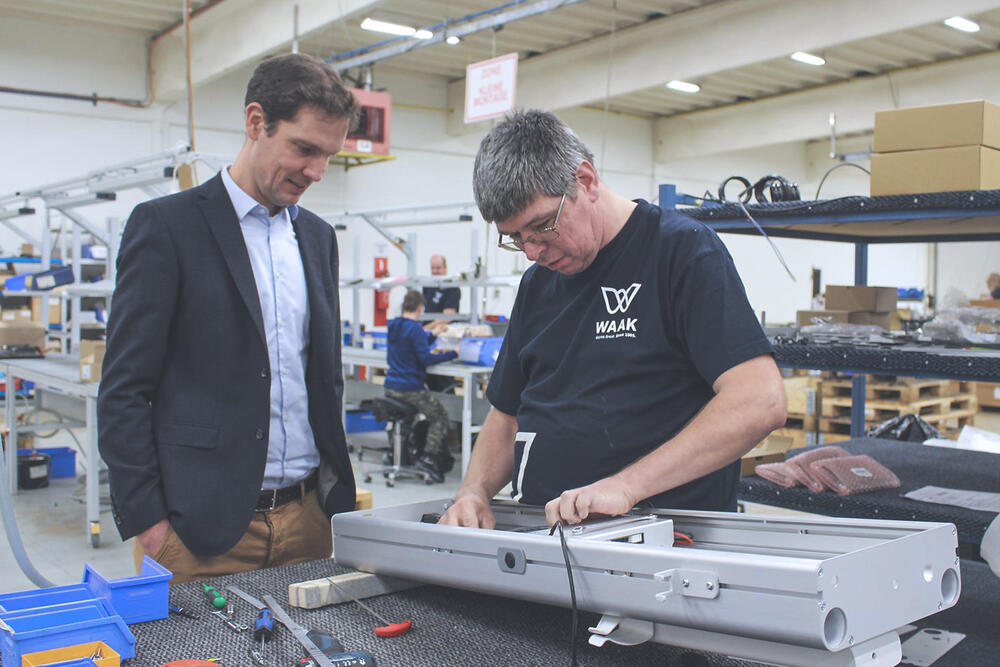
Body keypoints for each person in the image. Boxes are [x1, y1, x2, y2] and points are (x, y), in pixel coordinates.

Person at [440, 110, 787, 530]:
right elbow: (506, 414)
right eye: (516, 239)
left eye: (540, 226)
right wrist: (473, 492)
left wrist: (626, 487)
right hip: (545, 543)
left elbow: (759, 401)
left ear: (585, 182)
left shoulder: (682, 253)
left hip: (664, 549)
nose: (532, 251)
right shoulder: (537, 284)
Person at [98, 53, 360, 583]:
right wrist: (148, 521)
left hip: (308, 520)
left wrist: (329, 506)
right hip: (200, 532)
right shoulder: (167, 228)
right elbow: (124, 388)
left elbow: (321, 377)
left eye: (328, 155)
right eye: (304, 149)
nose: (315, 172)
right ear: (256, 122)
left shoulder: (317, 239)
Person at [385, 290, 459, 482]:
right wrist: (454, 353)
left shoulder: (394, 325)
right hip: (410, 389)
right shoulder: (415, 329)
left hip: (391, 387)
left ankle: (397, 453)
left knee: (407, 419)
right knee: (439, 416)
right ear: (420, 308)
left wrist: (433, 334)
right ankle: (428, 457)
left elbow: (413, 343)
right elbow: (425, 358)